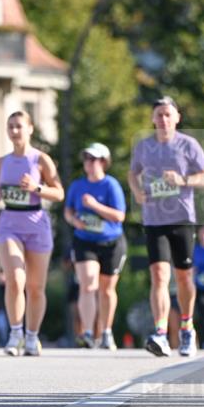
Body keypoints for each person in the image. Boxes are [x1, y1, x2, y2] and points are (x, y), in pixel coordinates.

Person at [128, 96, 204, 357]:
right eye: (159, 115)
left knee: (184, 277)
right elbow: (133, 173)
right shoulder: (143, 147)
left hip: (181, 219)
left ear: (177, 118)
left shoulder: (189, 145)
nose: (163, 119)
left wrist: (183, 179)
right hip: (154, 220)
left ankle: (187, 328)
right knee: (159, 276)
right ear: (153, 119)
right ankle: (161, 333)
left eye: (168, 114)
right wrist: (138, 192)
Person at [0, 110, 64, 356]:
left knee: (35, 287)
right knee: (15, 279)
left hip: (36, 224)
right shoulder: (2, 162)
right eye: (10, 126)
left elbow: (59, 193)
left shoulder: (40, 159)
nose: (14, 131)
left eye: (19, 126)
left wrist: (37, 187)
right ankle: (15, 334)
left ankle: (32, 336)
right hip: (9, 224)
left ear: (30, 129)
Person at [64, 143, 126, 350]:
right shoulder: (77, 185)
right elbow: (68, 211)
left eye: (94, 159)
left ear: (103, 162)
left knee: (106, 289)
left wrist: (94, 206)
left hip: (111, 241)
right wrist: (75, 221)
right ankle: (88, 333)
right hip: (84, 241)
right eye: (86, 159)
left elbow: (119, 216)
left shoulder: (111, 185)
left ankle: (106, 332)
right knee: (88, 284)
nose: (89, 163)